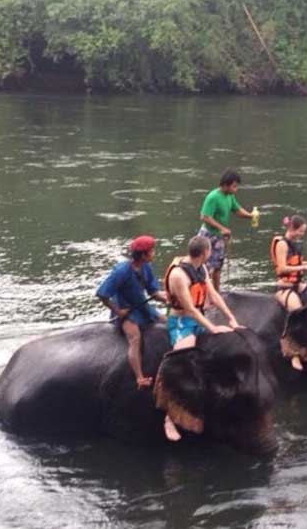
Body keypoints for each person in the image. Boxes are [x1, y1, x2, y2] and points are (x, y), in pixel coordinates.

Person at [160, 235, 243, 441]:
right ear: (205, 252)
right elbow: (188, 309)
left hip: (199, 319)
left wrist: (232, 319)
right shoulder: (179, 275)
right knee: (183, 361)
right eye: (210, 252)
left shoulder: (201, 268)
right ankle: (169, 417)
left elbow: (213, 295)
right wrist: (213, 328)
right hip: (182, 323)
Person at [96, 235, 168, 389]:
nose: (153, 254)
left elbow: (153, 292)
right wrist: (118, 312)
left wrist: (170, 299)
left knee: (168, 321)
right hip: (126, 310)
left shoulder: (146, 267)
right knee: (135, 337)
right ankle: (139, 378)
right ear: (143, 255)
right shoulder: (121, 272)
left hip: (142, 306)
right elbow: (102, 294)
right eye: (151, 251)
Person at [270, 215, 307, 371]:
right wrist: (304, 268)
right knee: (298, 312)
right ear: (292, 228)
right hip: (284, 287)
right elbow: (283, 268)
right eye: (301, 231)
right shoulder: (282, 244)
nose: (302, 234)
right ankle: (293, 354)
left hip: (297, 284)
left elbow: (296, 263)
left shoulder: (294, 244)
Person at [198, 169, 254, 291]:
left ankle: (216, 292)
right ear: (225, 185)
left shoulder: (230, 196)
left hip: (220, 236)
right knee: (205, 267)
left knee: (218, 266)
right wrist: (222, 228)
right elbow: (205, 217)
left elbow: (237, 209)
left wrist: (250, 216)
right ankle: (203, 294)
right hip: (208, 235)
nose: (236, 189)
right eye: (234, 186)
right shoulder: (213, 197)